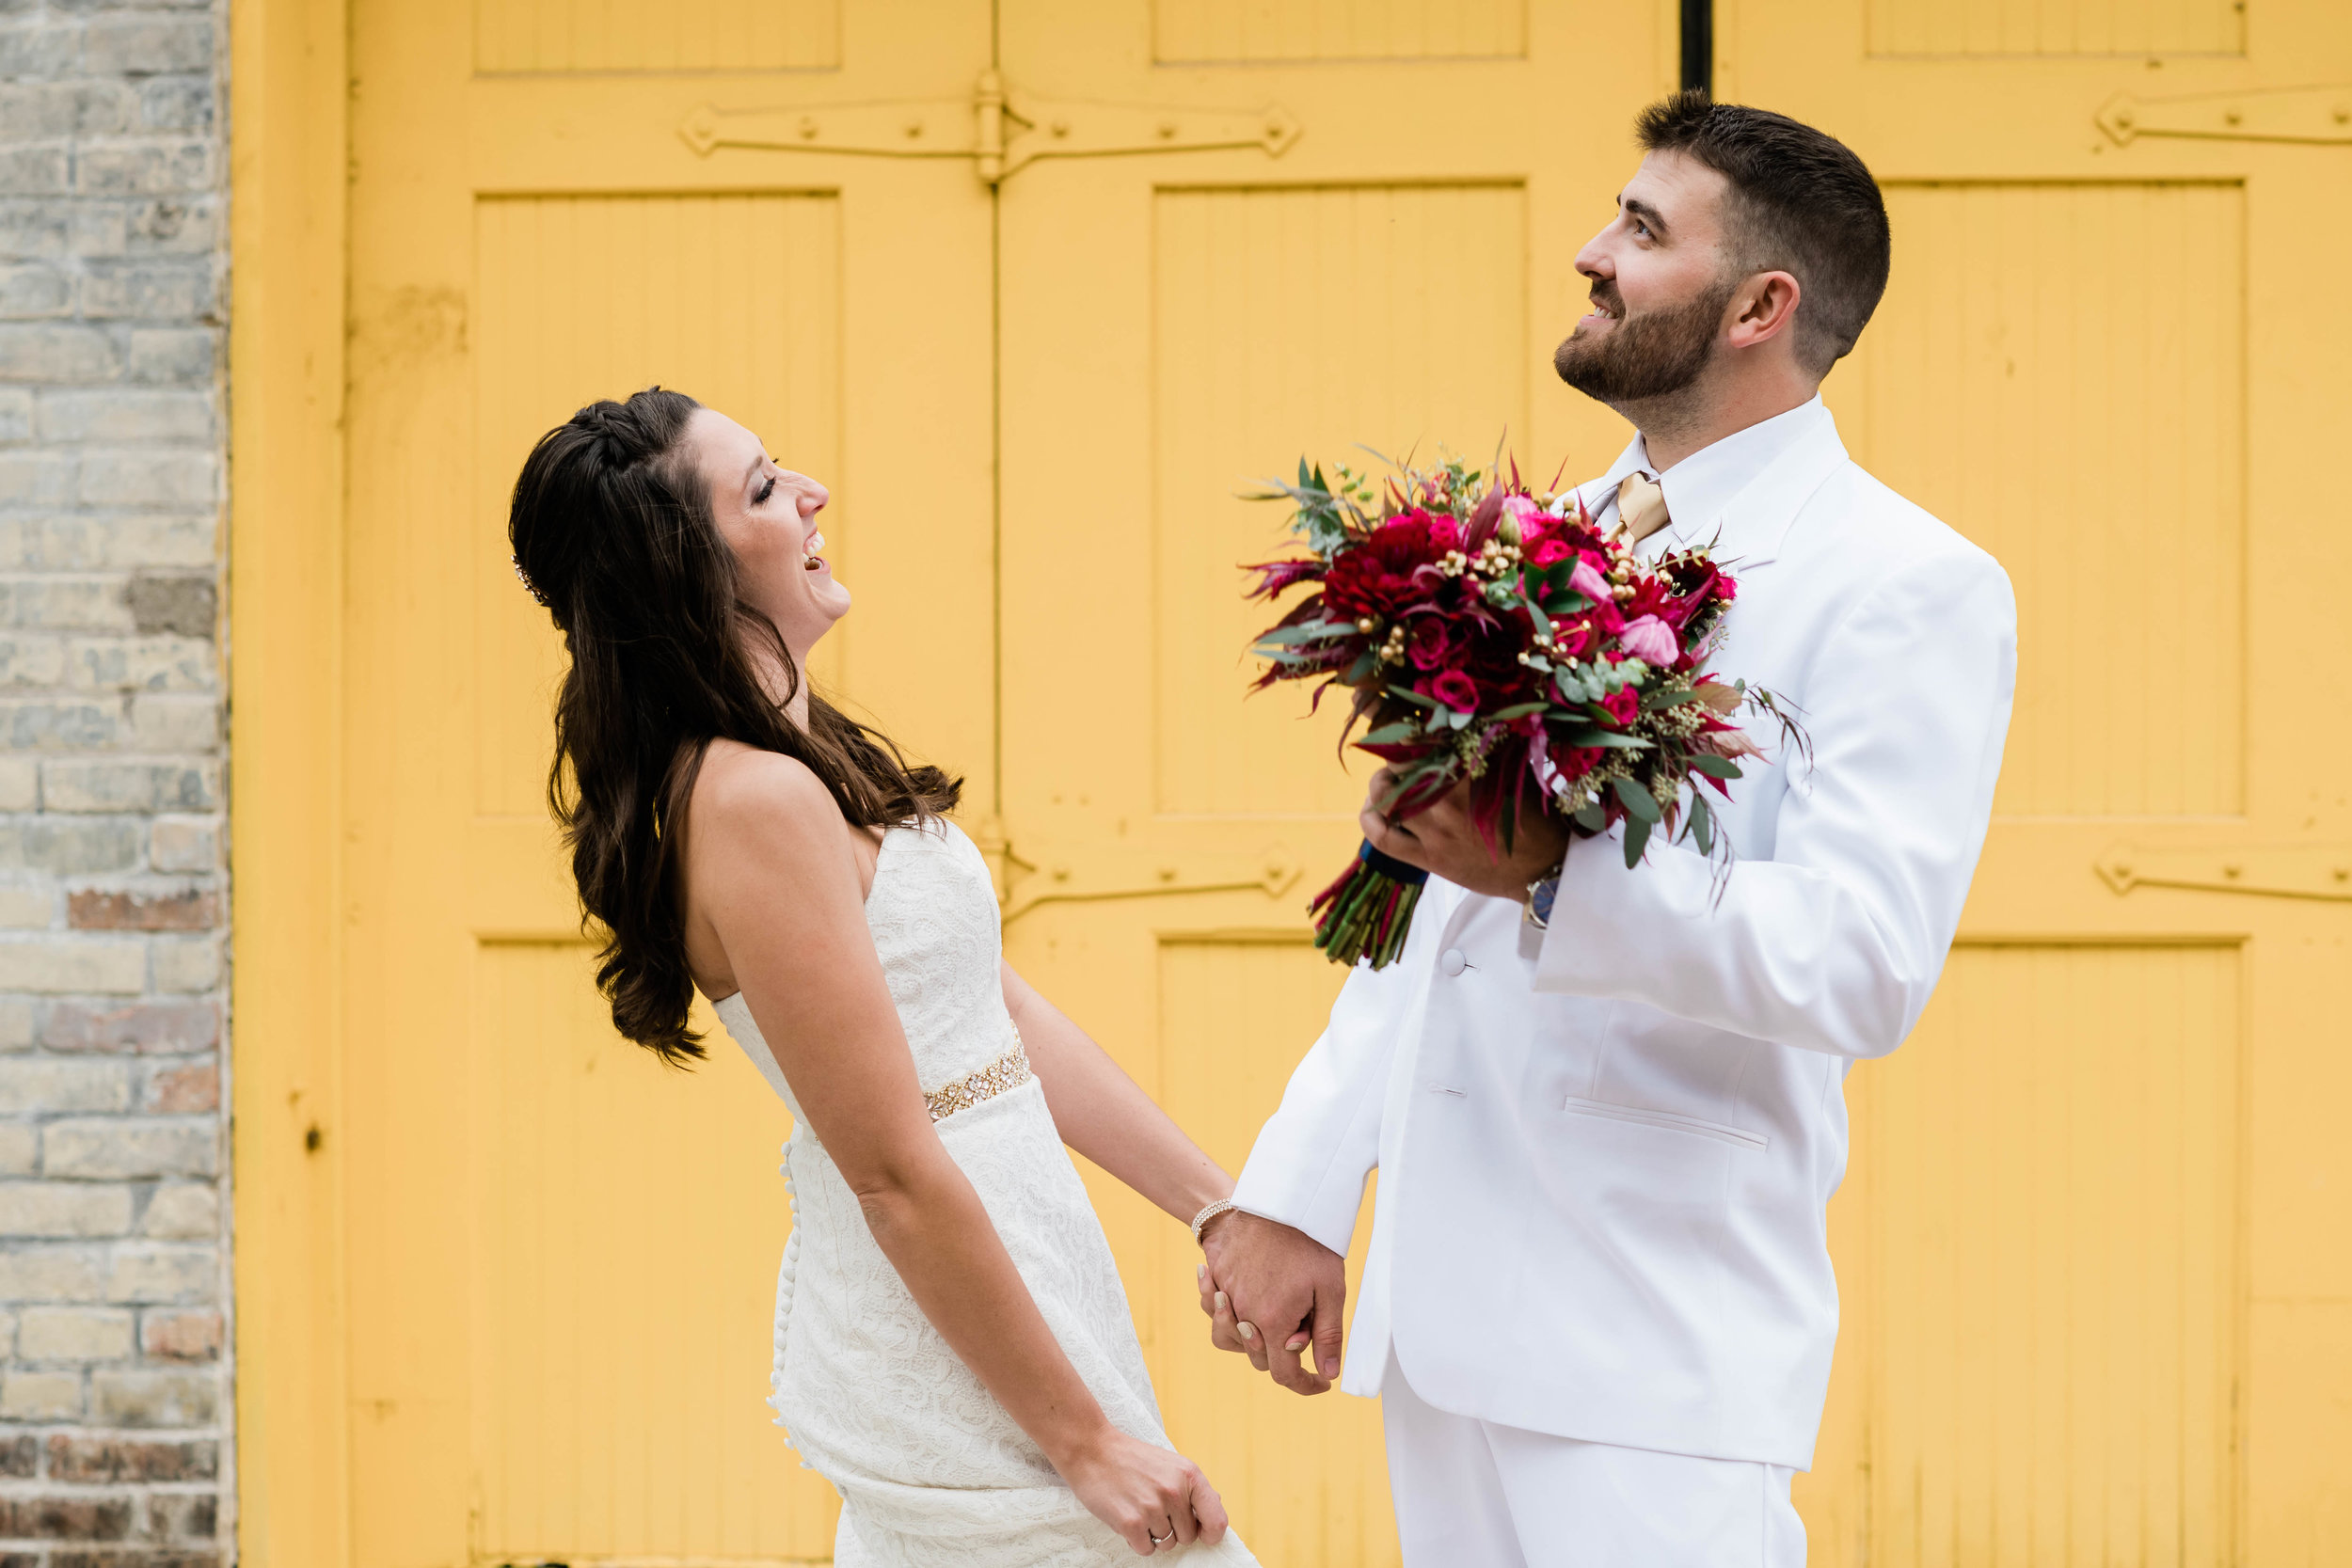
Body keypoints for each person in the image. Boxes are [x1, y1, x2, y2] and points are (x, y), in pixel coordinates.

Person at [1195, 91, 2018, 1566]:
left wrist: (1557, 878)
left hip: (1655, 1329)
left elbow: (1866, 956)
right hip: (1444, 1322)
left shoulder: (1907, 580)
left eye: (1641, 232)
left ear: (1763, 303)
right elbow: (1426, 909)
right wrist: (1300, 1188)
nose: (1590, 253)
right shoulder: (1534, 538)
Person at [507, 388, 1258, 1567]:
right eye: (759, 488)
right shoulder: (751, 800)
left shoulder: (804, 750)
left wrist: (1219, 1211)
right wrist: (1082, 1441)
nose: (808, 493)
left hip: (1024, 1257)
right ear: (686, 575)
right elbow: (892, 1170)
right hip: (956, 1315)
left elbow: (988, 1005)